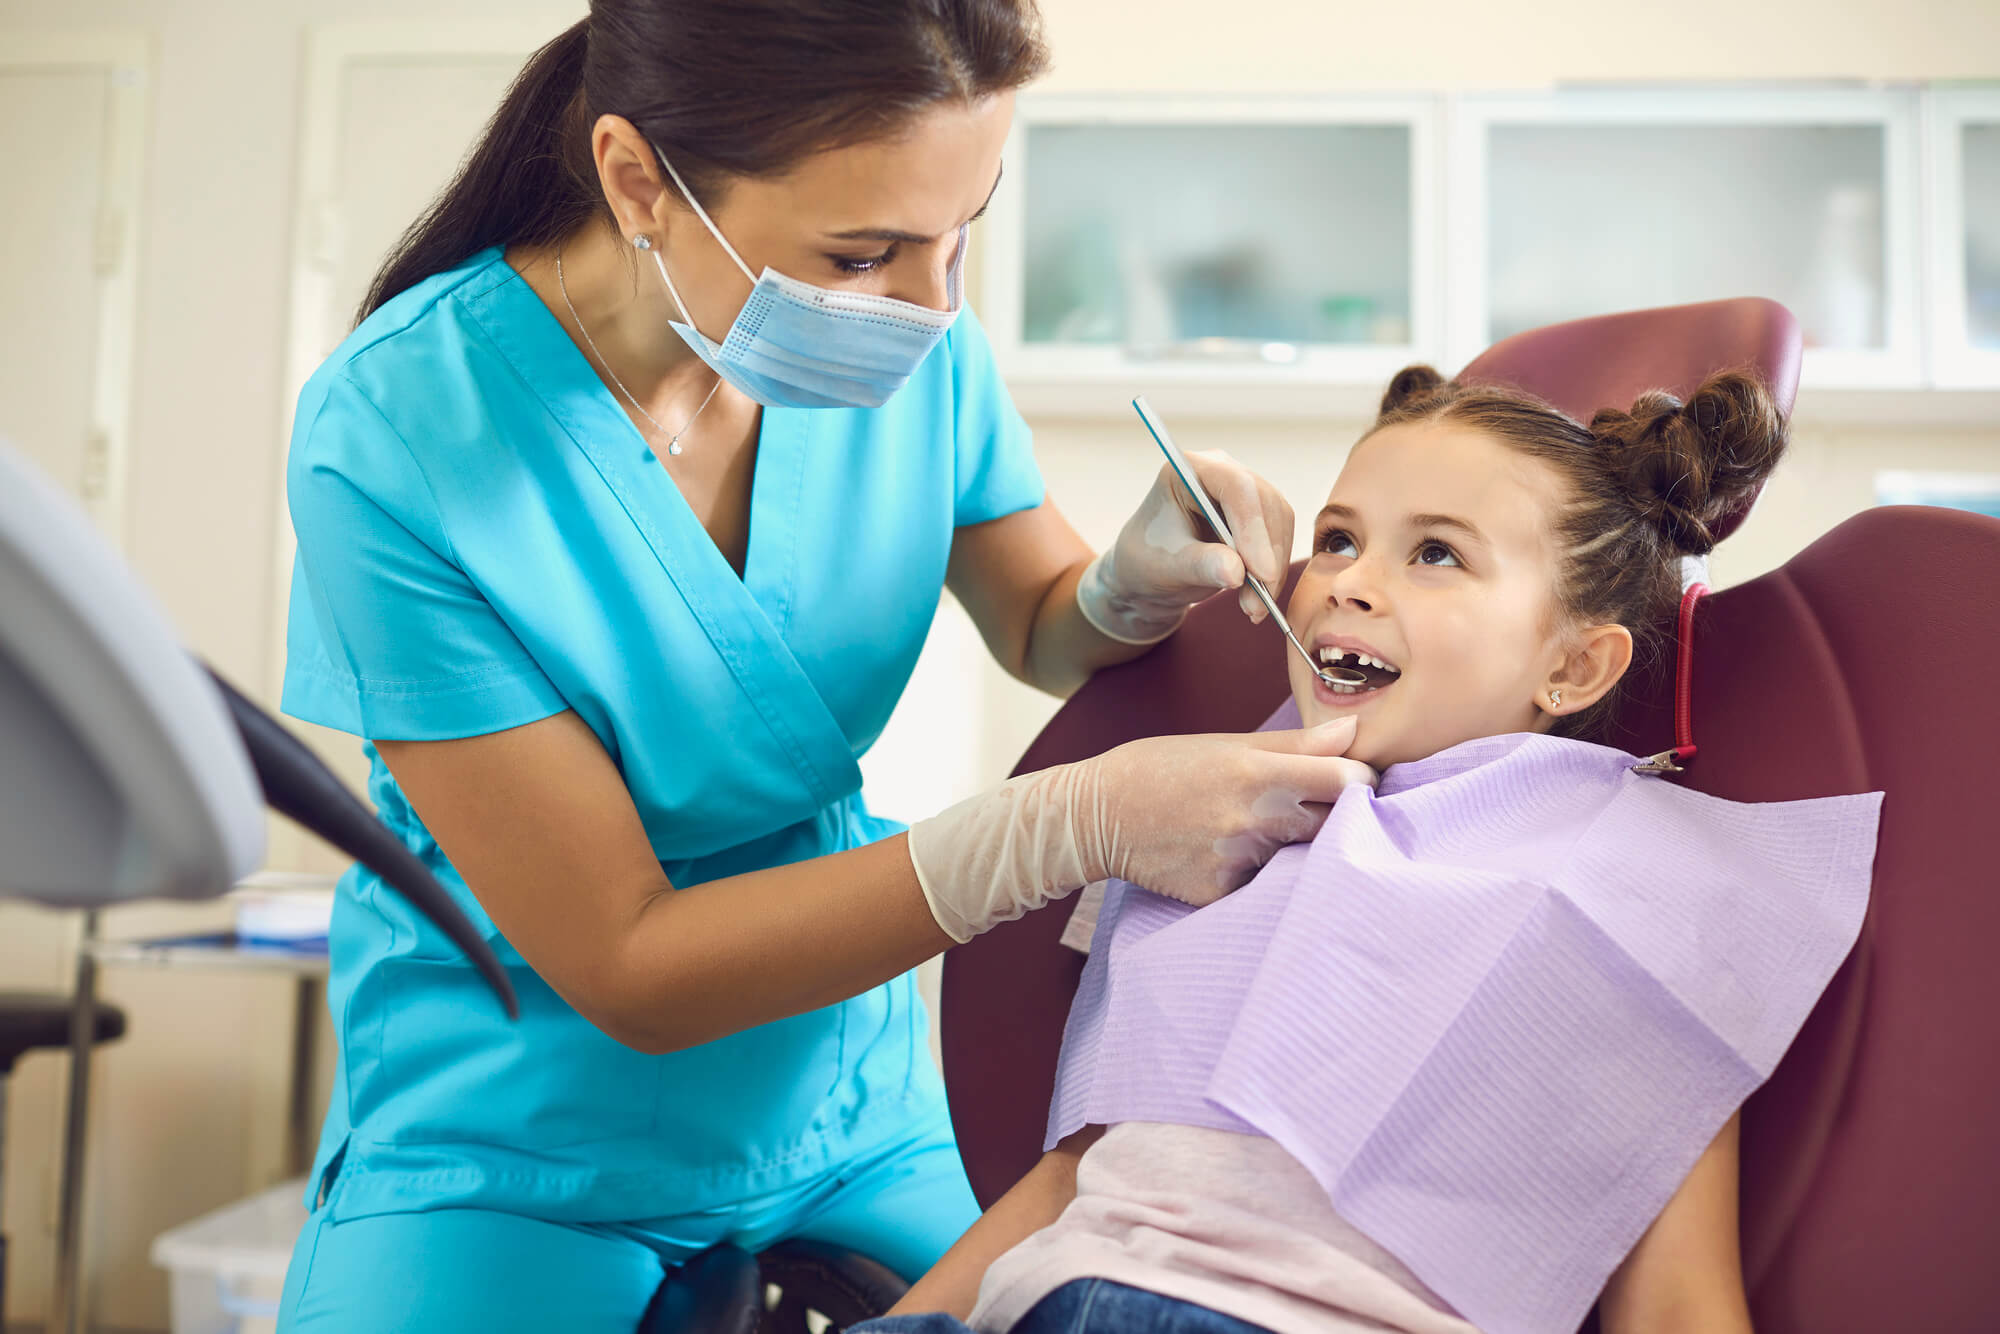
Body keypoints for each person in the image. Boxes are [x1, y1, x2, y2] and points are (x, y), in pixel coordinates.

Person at [273, 4, 1376, 1331]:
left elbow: (1035, 619)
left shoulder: (916, 341)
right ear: (639, 182)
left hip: (846, 1100)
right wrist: (1060, 827)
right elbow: (631, 959)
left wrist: (1120, 587)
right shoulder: (400, 433)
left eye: (962, 233)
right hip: (515, 1126)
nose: (933, 307)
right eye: (863, 254)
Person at [861, 365, 1863, 1334]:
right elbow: (1075, 1170)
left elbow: (1676, 1304)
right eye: (1337, 538)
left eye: (1436, 553)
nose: (1347, 582)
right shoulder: (1207, 832)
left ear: (1572, 664)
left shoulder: (1631, 903)